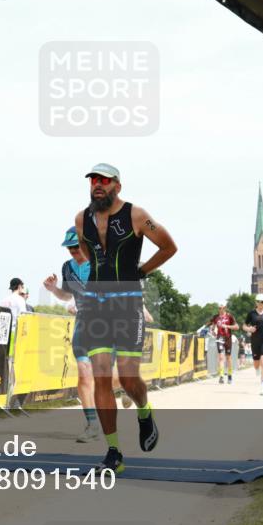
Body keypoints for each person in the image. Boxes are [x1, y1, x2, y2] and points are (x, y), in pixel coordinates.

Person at [74, 163, 177, 472]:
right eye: (93, 180)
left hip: (128, 306)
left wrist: (141, 271)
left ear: (117, 185)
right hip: (96, 307)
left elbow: (169, 246)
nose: (97, 185)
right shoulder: (81, 220)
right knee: (101, 377)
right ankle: (114, 452)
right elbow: (88, 253)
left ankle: (144, 412)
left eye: (104, 180)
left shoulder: (136, 214)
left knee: (129, 379)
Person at [43, 227, 99, 442]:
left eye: (76, 247)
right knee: (84, 373)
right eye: (70, 248)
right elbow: (68, 295)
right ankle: (92, 424)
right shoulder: (68, 267)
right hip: (83, 324)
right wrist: (53, 289)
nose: (73, 252)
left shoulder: (101, 264)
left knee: (107, 378)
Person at [243, 294, 263, 395]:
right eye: (258, 301)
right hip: (255, 341)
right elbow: (244, 325)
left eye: (262, 302)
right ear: (256, 302)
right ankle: (257, 369)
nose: (260, 304)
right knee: (256, 364)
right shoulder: (251, 314)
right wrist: (249, 329)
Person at [210, 305, 239, 384]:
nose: (220, 309)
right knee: (221, 357)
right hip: (220, 338)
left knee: (228, 357)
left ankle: (229, 375)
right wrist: (212, 330)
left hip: (228, 338)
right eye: (219, 308)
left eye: (222, 308)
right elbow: (212, 326)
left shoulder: (229, 316)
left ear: (225, 308)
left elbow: (237, 327)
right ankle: (221, 376)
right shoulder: (216, 317)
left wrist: (227, 326)